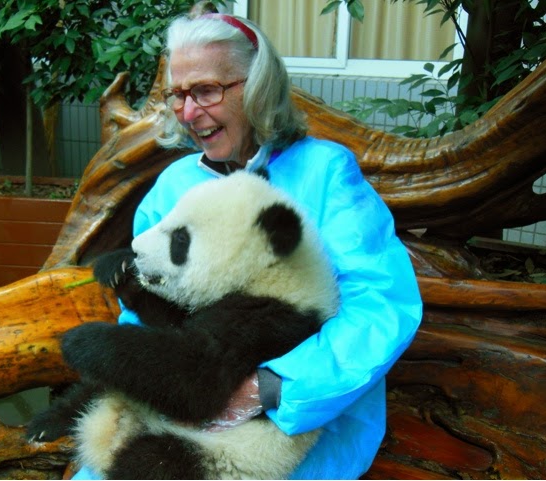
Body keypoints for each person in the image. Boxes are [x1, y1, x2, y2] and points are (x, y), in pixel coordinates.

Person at [74, 4, 422, 479]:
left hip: (297, 416)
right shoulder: (175, 183)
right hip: (183, 393)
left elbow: (380, 307)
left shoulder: (323, 172)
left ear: (257, 86)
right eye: (178, 94)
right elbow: (144, 306)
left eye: (206, 90)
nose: (189, 112)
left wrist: (273, 387)